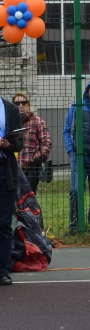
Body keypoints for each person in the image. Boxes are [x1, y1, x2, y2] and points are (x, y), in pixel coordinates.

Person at [64, 79, 90, 233]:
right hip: (79, 156)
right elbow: (67, 129)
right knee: (75, 191)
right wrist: (71, 151)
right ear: (87, 91)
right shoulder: (77, 106)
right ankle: (74, 226)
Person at [0, 95, 24, 286]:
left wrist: (9, 145)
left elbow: (19, 143)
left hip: (4, 171)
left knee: (4, 223)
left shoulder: (11, 109)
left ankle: (3, 270)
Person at [12, 93, 52, 197]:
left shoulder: (37, 121)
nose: (20, 105)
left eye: (23, 102)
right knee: (14, 202)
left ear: (28, 105)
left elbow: (46, 143)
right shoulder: (11, 123)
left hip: (30, 170)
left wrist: (33, 159)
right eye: (17, 103)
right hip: (13, 170)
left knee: (29, 201)